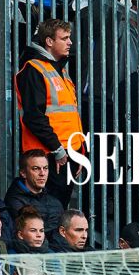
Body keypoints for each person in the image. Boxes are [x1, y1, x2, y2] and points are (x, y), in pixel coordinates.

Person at [14, 19, 84, 206]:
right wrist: (58, 150)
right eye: (65, 38)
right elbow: (34, 116)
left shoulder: (59, 68)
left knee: (57, 210)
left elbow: (69, 116)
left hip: (64, 154)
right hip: (48, 155)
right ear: (49, 41)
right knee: (48, 210)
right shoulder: (34, 69)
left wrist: (79, 151)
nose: (70, 42)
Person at [5, 149, 62, 235]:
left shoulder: (55, 202)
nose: (42, 173)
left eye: (45, 168)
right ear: (23, 173)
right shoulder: (14, 201)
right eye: (36, 169)